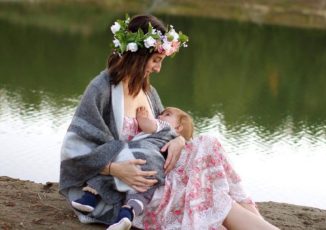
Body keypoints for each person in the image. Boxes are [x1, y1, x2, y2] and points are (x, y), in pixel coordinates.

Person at [59, 14, 279, 230]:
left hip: (156, 172)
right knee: (209, 194)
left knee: (208, 145)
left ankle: (257, 220)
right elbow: (73, 152)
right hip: (127, 188)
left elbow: (162, 133)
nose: (158, 68)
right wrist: (115, 169)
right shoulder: (102, 89)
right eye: (155, 60)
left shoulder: (149, 92)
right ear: (138, 56)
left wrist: (178, 142)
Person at [71, 106, 194, 230]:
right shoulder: (173, 143)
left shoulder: (165, 127)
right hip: (156, 170)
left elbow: (148, 125)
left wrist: (142, 118)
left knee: (107, 175)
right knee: (142, 192)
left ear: (178, 128)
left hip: (138, 155)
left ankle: (88, 199)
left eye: (167, 114)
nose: (160, 116)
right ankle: (126, 215)